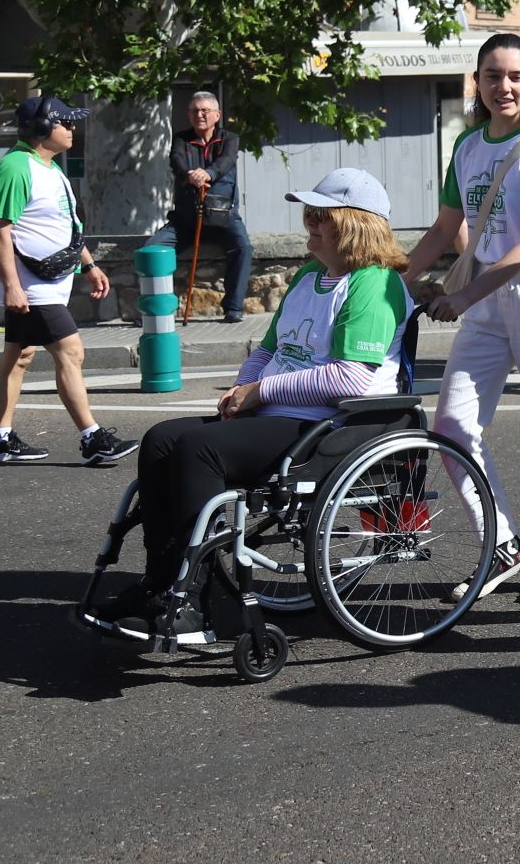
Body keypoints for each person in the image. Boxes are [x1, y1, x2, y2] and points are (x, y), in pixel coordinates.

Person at [86, 167, 412, 632]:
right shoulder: (309, 276)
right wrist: (241, 392)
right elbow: (267, 350)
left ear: (354, 224)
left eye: (322, 216)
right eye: (310, 214)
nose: (310, 224)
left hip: (330, 425)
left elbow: (351, 377)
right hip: (279, 413)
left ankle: (191, 603)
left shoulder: (373, 284)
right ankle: (159, 584)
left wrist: (259, 392)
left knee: (201, 450)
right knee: (161, 439)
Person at [405, 33, 520, 604]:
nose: (503, 86)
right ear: (477, 83)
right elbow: (443, 230)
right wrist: (389, 279)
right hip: (487, 301)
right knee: (452, 427)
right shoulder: (466, 147)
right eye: (491, 76)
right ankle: (501, 545)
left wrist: (461, 298)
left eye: (514, 76)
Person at [0, 97, 135, 466]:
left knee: (19, 357)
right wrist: (13, 286)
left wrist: (89, 265)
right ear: (43, 128)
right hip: (32, 288)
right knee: (71, 352)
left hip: (48, 283)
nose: (72, 129)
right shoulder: (15, 168)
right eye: (65, 123)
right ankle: (93, 438)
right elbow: (0, 231)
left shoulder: (48, 168)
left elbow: (65, 227)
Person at [168, 91, 249, 323]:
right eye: (194, 111)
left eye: (205, 111)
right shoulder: (181, 139)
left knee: (242, 247)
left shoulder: (229, 138)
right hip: (186, 219)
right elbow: (176, 161)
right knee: (154, 250)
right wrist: (189, 175)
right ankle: (156, 308)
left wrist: (209, 173)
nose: (199, 115)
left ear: (217, 115)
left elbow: (226, 161)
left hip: (224, 217)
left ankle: (233, 308)